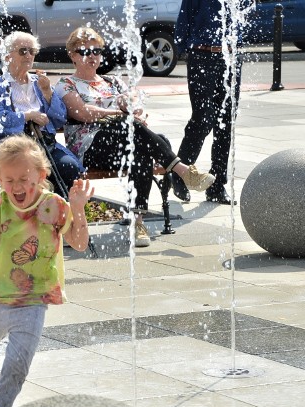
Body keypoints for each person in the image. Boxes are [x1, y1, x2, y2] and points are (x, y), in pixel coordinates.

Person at [0, 134, 94, 407]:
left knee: (17, 365)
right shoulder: (0, 206)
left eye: (25, 178)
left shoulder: (54, 206)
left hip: (34, 299)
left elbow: (78, 243)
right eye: (9, 180)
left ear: (41, 175)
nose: (17, 187)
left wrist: (78, 209)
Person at [54, 27, 215, 247]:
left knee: (139, 150)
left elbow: (135, 106)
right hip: (91, 147)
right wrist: (119, 114)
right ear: (72, 54)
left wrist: (133, 109)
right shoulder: (66, 84)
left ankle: (137, 220)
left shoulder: (113, 82)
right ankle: (182, 171)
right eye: (85, 51)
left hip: (122, 145)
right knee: (135, 133)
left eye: (97, 51)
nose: (92, 56)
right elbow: (82, 113)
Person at [0, 31, 83, 197]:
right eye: (22, 51)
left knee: (69, 166)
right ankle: (36, 215)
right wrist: (27, 116)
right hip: (12, 148)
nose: (28, 55)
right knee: (28, 172)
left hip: (44, 144)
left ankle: (61, 214)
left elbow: (59, 119)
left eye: (32, 51)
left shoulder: (39, 83)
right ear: (7, 56)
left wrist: (47, 93)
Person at [170, 0, 253, 204]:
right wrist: (184, 50)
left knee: (225, 122)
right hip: (202, 55)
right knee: (202, 118)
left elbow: (245, 13)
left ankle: (217, 185)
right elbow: (184, 20)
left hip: (231, 58)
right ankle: (181, 172)